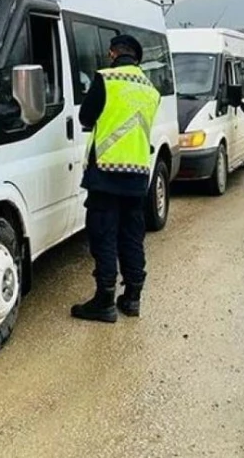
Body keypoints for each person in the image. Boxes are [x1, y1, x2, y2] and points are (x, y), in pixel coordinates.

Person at [71, 34, 161, 323]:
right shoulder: (150, 88)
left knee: (104, 235)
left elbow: (86, 117)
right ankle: (133, 297)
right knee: (132, 236)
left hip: (106, 172)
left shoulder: (106, 78)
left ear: (112, 54)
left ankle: (105, 301)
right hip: (138, 174)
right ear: (136, 58)